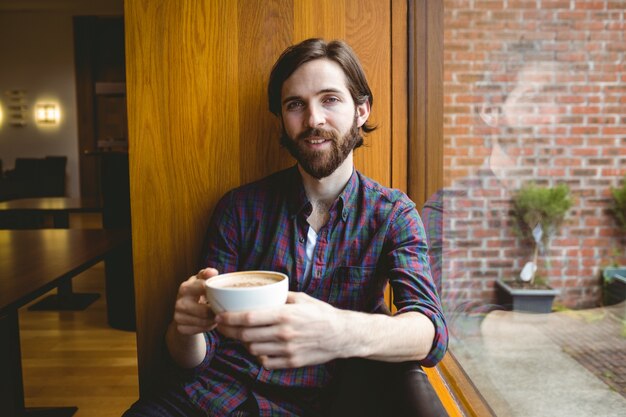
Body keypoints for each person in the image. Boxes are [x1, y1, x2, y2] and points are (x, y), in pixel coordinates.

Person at [124, 38, 448, 417]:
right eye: (295, 105)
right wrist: (184, 329)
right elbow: (193, 357)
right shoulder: (239, 208)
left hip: (310, 405)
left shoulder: (393, 215)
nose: (313, 120)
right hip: (206, 399)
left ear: (361, 110)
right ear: (281, 117)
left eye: (330, 99)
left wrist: (339, 331)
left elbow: (430, 331)